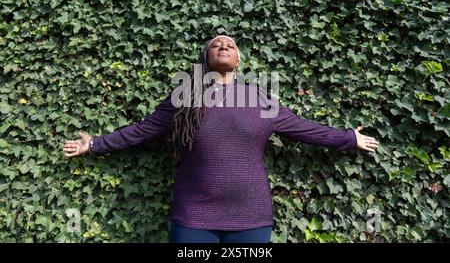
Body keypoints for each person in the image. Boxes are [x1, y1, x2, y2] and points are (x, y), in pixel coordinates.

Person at [63, 35, 380, 243]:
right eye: (216, 44)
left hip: (251, 215)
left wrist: (348, 138)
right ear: (206, 57)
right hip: (194, 215)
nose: (223, 46)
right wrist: (94, 144)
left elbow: (304, 129)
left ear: (238, 59)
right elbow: (143, 130)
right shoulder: (185, 97)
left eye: (229, 44)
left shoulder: (259, 99)